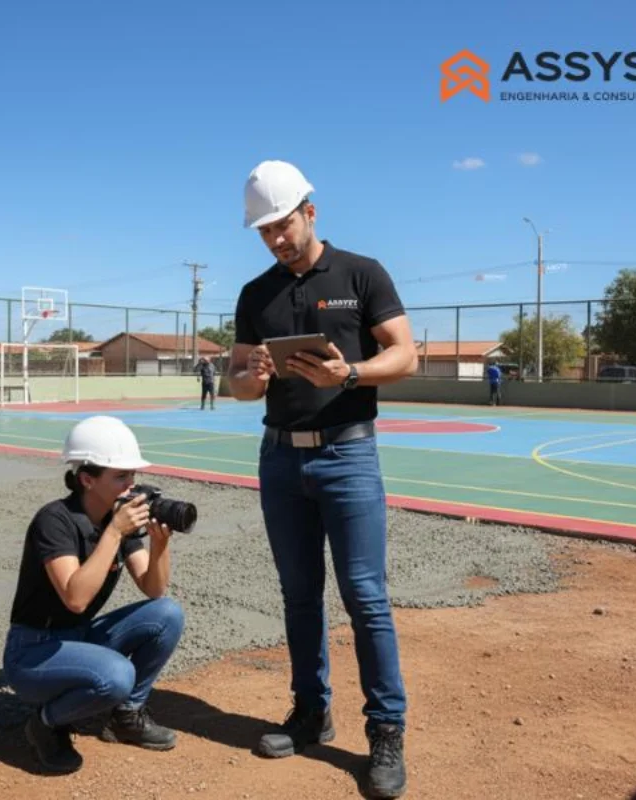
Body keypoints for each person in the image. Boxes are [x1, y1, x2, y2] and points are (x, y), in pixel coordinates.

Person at [229, 160, 418, 799]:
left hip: (349, 455)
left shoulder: (362, 274)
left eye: (282, 225)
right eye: (265, 231)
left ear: (310, 212)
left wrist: (351, 373)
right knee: (299, 594)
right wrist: (253, 373)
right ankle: (311, 711)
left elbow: (405, 354)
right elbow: (237, 384)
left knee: (365, 595)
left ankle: (386, 730)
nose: (275, 239)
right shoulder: (255, 295)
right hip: (281, 459)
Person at [2, 415, 185, 774]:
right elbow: (76, 599)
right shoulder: (55, 520)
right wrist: (114, 533)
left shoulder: (116, 518)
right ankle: (45, 722)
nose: (131, 486)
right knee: (117, 675)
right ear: (87, 479)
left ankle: (126, 716)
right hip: (33, 652)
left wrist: (160, 544)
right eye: (121, 477)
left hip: (78, 638)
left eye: (132, 475)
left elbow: (154, 588)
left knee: (167, 614)